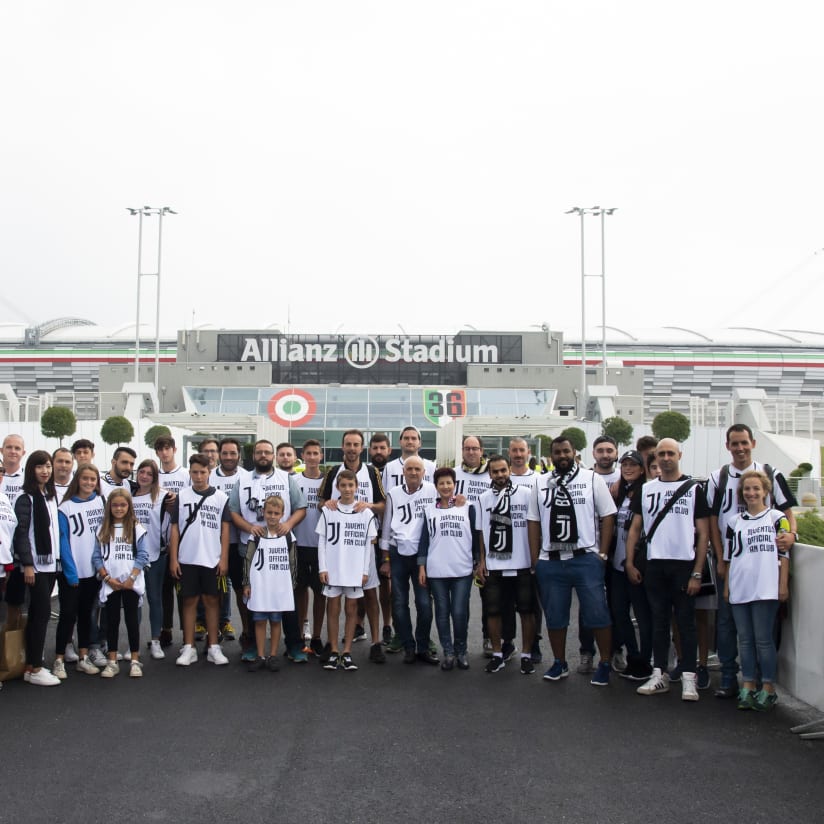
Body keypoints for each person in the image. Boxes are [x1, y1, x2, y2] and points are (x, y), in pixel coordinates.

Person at [707, 423, 797, 698]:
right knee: (727, 625)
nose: (740, 448)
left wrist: (791, 535)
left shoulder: (771, 474)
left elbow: (786, 511)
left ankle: (763, 682)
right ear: (727, 447)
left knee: (762, 632)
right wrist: (721, 558)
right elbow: (713, 520)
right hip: (731, 563)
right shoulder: (718, 477)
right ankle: (729, 678)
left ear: (753, 443)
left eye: (744, 442)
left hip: (764, 569)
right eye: (734, 443)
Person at [625, 438, 710, 701]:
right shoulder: (647, 489)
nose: (665, 457)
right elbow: (635, 528)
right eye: (661, 453)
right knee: (658, 621)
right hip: (654, 563)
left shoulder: (694, 489)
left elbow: (703, 533)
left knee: (686, 622)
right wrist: (629, 562)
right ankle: (659, 673)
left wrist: (697, 572)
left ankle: (688, 677)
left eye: (670, 453)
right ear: (656, 457)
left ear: (679, 455)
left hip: (683, 564)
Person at [529, 436, 617, 686]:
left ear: (574, 453)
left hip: (585, 558)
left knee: (597, 614)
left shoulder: (591, 479)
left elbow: (608, 515)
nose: (562, 456)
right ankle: (559, 662)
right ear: (551, 456)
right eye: (557, 453)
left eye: (566, 451)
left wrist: (603, 553)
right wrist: (536, 560)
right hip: (552, 560)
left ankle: (605, 662)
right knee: (555, 617)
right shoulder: (541, 483)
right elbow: (533, 521)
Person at [230, 439, 307, 663]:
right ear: (253, 455)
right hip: (251, 548)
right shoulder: (241, 480)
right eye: (259, 452)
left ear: (273, 455)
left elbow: (300, 507)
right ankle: (254, 646)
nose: (263, 455)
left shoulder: (286, 478)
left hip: (281, 549)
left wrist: (288, 524)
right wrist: (250, 527)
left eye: (267, 452)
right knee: (254, 598)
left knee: (287, 596)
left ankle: (294, 645)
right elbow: (233, 511)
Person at [725, 470, 790, 711]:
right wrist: (727, 588)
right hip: (740, 586)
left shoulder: (776, 517)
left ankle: (769, 688)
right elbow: (730, 558)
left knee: (764, 640)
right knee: (745, 641)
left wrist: (782, 585)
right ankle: (748, 685)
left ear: (765, 491)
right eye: (747, 489)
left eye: (756, 489)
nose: (751, 493)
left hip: (766, 587)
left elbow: (784, 555)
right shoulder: (734, 522)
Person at [319, 430, 385, 653]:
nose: (352, 448)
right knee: (337, 597)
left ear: (362, 448)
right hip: (340, 547)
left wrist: (370, 506)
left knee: (370, 591)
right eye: (348, 444)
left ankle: (376, 642)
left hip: (364, 543)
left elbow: (383, 505)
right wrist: (326, 504)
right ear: (342, 446)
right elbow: (322, 502)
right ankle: (333, 644)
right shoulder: (332, 473)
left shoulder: (372, 472)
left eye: (356, 444)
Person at [169, 454, 232, 666]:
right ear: (189, 473)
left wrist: (223, 559)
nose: (198, 476)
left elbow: (225, 531)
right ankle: (189, 647)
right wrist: (174, 559)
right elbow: (175, 529)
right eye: (194, 472)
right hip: (187, 558)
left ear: (209, 473)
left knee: (212, 602)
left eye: (202, 472)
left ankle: (214, 646)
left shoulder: (221, 498)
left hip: (212, 559)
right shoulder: (182, 496)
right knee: (189, 602)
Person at [476, 455, 537, 675]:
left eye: (503, 470)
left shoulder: (527, 494)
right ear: (490, 474)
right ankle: (498, 654)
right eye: (495, 471)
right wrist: (482, 561)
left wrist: (534, 559)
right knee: (493, 611)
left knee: (526, 611)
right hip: (494, 565)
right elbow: (482, 531)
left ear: (509, 470)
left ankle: (527, 654)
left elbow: (533, 527)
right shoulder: (483, 498)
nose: (500, 475)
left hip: (522, 563)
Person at [417, 467, 480, 671]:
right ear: (436, 487)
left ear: (455, 485)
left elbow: (476, 538)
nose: (445, 486)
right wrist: (422, 567)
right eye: (441, 483)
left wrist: (478, 562)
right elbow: (424, 541)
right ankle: (449, 652)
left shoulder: (467, 507)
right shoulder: (429, 510)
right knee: (442, 613)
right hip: (437, 571)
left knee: (460, 612)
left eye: (449, 483)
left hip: (462, 570)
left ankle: (461, 651)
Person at [316, 470, 378, 671]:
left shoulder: (365, 512)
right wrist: (322, 567)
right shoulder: (328, 510)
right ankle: (334, 650)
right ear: (337, 488)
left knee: (351, 609)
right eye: (343, 485)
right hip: (333, 568)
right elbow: (322, 541)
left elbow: (369, 546)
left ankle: (347, 651)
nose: (347, 489)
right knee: (333, 608)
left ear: (357, 487)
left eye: (351, 485)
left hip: (354, 569)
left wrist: (365, 571)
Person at [380, 456, 438, 665]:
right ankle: (408, 646)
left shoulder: (432, 490)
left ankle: (423, 645)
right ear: (403, 472)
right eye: (409, 469)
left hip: (422, 555)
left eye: (417, 469)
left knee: (424, 603)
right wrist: (385, 558)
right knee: (398, 602)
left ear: (424, 472)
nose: (413, 472)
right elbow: (386, 526)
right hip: (397, 554)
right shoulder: (394, 494)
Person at [12, 450, 61, 686]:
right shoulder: (26, 498)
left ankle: (32, 664)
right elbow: (21, 534)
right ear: (31, 469)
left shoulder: (50, 496)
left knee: (38, 615)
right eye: (40, 466)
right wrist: (28, 564)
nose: (45, 471)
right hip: (35, 567)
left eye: (48, 466)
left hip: (51, 564)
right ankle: (35, 668)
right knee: (40, 615)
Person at [53, 463, 106, 678]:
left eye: (93, 480)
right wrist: (70, 571)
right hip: (72, 573)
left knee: (86, 615)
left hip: (93, 572)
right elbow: (63, 542)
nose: (89, 483)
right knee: (67, 615)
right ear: (78, 480)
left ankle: (83, 657)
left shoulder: (100, 502)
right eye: (85, 479)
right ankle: (58, 659)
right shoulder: (65, 508)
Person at [92, 489, 149, 678]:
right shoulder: (103, 529)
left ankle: (134, 660)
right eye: (115, 505)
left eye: (123, 505)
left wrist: (131, 578)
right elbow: (97, 557)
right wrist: (107, 578)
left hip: (130, 583)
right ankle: (112, 661)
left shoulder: (136, 528)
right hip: (111, 583)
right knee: (112, 622)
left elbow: (142, 555)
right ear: (109, 506)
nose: (118, 508)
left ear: (129, 506)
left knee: (132, 621)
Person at [608, 450, 653, 681]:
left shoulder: (646, 492)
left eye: (632, 465)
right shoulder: (620, 491)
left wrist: (631, 562)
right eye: (624, 464)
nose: (627, 468)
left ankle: (645, 661)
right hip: (617, 565)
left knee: (643, 616)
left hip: (636, 565)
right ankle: (633, 656)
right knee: (618, 613)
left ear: (642, 468)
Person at [243, 495, 296, 672]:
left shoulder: (288, 536)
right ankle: (260, 655)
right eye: (269, 512)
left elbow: (293, 561)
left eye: (276, 513)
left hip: (279, 587)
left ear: (282, 514)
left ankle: (273, 655)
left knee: (275, 621)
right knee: (259, 621)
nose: (272, 516)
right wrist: (247, 583)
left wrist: (292, 585)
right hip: (260, 586)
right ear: (263, 513)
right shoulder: (256, 535)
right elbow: (248, 559)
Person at [132, 459, 174, 660]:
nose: (145, 476)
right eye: (142, 472)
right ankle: (134, 643)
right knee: (135, 600)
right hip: (132, 557)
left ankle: (156, 640)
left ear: (155, 477)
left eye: (149, 473)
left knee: (155, 598)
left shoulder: (164, 496)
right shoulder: (129, 495)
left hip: (156, 555)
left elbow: (172, 523)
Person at [211, 438, 246, 654]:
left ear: (239, 455)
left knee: (243, 591)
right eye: (225, 453)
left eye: (233, 453)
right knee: (214, 593)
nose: (229, 457)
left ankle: (248, 633)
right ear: (219, 454)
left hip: (239, 544)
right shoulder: (209, 476)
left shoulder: (247, 477)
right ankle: (213, 637)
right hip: (213, 545)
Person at [293, 439, 326, 657]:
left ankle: (316, 636)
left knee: (321, 592)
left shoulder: (328, 481)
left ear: (321, 456)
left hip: (322, 546)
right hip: (298, 544)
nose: (312, 457)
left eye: (316, 453)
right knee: (299, 591)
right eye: (308, 453)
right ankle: (299, 635)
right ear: (302, 456)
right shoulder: (293, 480)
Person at [368, 432, 395, 646]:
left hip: (388, 534)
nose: (378, 452)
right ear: (369, 450)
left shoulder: (395, 471)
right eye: (375, 448)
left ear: (389, 450)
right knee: (362, 582)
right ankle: (359, 623)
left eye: (382, 448)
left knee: (386, 583)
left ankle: (387, 625)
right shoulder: (364, 472)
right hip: (364, 534)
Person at [382, 426, 435, 491]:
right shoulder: (389, 467)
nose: (410, 441)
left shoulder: (431, 467)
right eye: (406, 438)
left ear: (420, 443)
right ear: (400, 442)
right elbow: (384, 496)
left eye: (414, 438)